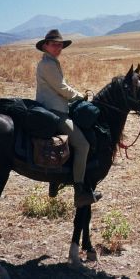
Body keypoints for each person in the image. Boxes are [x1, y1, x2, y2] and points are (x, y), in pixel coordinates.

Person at [35, 29, 101, 208]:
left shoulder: (51, 62)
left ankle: (56, 181)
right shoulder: (48, 64)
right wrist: (80, 96)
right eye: (54, 44)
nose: (58, 47)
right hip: (55, 111)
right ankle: (80, 192)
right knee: (82, 144)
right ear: (45, 46)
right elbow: (61, 88)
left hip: (56, 108)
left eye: (60, 45)